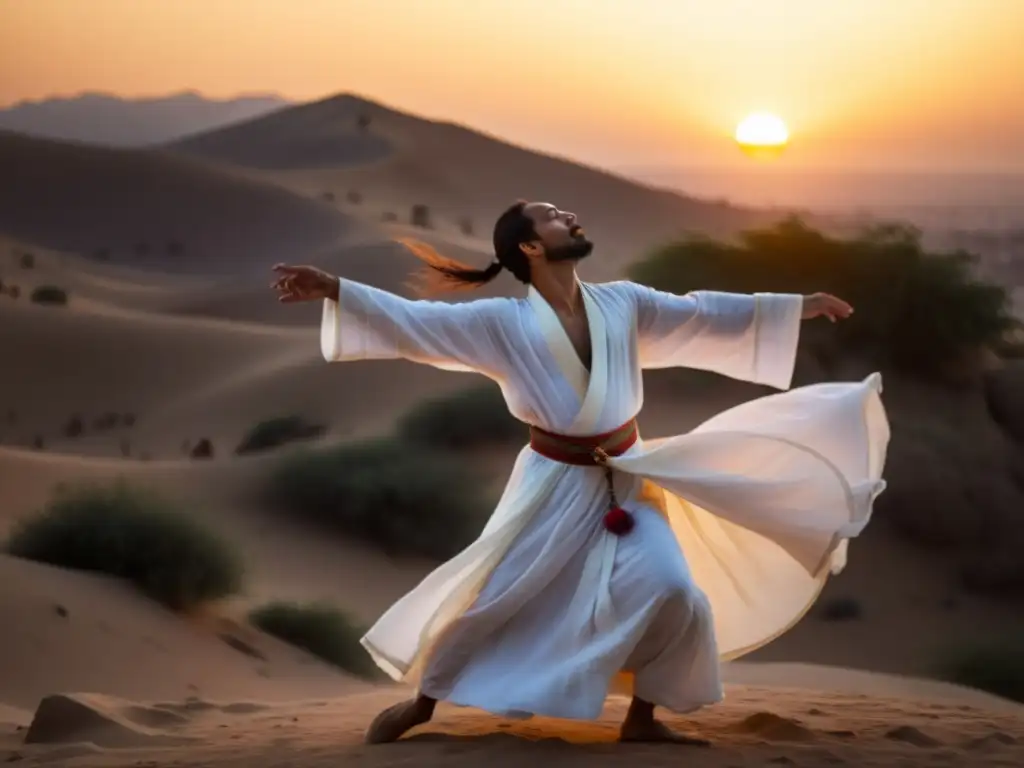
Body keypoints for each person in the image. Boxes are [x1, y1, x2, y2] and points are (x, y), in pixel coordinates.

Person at [271, 200, 889, 745]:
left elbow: (698, 313)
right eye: (553, 216)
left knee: (674, 590)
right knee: (502, 597)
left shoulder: (621, 302)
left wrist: (792, 308)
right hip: (553, 482)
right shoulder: (501, 324)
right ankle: (423, 702)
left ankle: (642, 717)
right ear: (532, 247)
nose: (569, 216)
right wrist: (335, 289)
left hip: (631, 476)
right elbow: (417, 322)